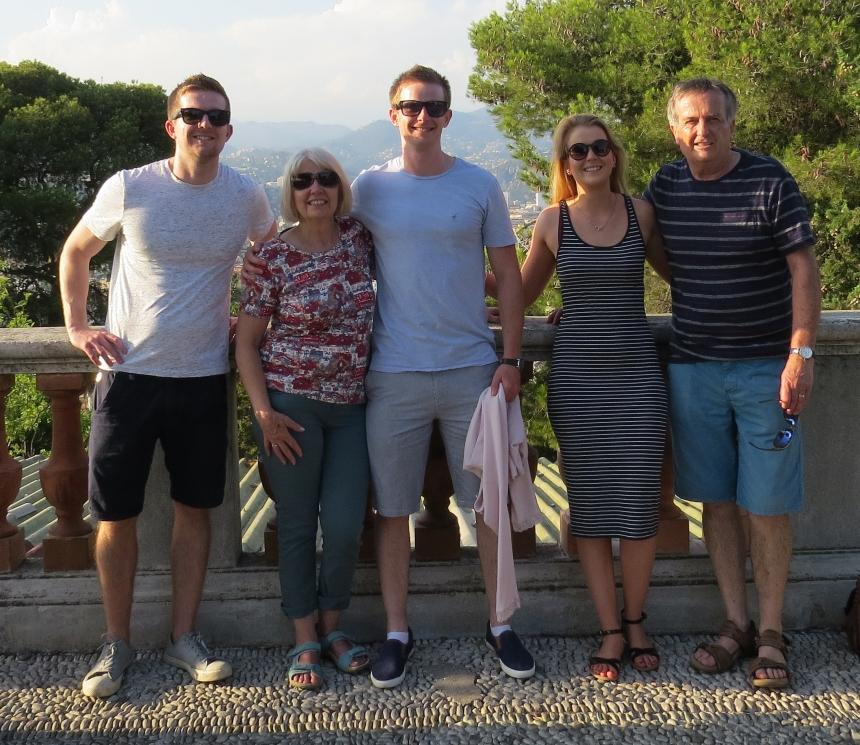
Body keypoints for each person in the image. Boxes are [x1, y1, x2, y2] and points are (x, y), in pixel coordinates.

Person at [59, 73, 276, 698]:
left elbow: (272, 258)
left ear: (229, 129)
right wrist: (78, 327)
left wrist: (252, 313)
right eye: (192, 115)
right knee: (114, 516)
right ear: (171, 124)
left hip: (205, 376)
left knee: (194, 510)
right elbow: (76, 251)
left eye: (215, 117)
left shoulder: (245, 195)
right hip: (127, 378)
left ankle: (185, 635)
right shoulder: (131, 187)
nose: (203, 125)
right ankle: (115, 641)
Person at [349, 64, 532, 688]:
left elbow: (507, 276)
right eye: (409, 106)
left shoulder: (480, 183)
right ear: (393, 114)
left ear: (448, 115)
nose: (421, 116)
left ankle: (500, 622)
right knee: (392, 507)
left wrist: (509, 357)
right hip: (392, 372)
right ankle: (397, 630)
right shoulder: (368, 188)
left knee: (487, 505)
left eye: (432, 106)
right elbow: (324, 244)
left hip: (472, 371)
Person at [644, 77, 820, 690]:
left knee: (767, 505)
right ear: (674, 128)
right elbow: (645, 247)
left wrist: (801, 353)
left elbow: (805, 270)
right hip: (694, 366)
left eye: (714, 119)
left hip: (765, 369)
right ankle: (735, 623)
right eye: (691, 121)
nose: (703, 130)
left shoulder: (771, 181)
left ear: (731, 124)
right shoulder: (664, 185)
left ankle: (771, 634)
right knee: (716, 502)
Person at [499, 114, 670, 682]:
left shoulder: (641, 213)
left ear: (615, 155)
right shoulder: (552, 221)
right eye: (578, 151)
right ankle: (611, 631)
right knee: (593, 512)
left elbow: (682, 276)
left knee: (642, 505)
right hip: (578, 380)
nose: (591, 157)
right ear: (565, 163)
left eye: (599, 147)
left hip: (637, 376)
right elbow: (520, 295)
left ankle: (638, 618)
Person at [235, 148, 374, 691]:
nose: (315, 188)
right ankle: (305, 638)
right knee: (296, 525)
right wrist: (263, 412)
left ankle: (334, 627)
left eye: (325, 179)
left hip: (352, 409)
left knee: (343, 525)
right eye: (302, 181)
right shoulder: (271, 256)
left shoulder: (359, 239)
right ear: (289, 192)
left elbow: (416, 280)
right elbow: (247, 344)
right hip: (289, 411)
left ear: (340, 188)